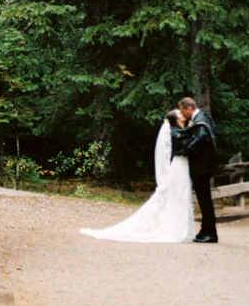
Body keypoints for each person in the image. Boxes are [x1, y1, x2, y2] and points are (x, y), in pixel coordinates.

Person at [79, 110, 195, 243]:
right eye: (179, 114)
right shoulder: (173, 132)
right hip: (177, 166)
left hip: (184, 166)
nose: (182, 114)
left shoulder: (184, 129)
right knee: (176, 196)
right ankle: (175, 229)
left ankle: (184, 229)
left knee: (183, 195)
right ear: (175, 119)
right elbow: (171, 151)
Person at [172, 96, 218, 243]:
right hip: (204, 166)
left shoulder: (200, 122)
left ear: (189, 109)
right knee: (204, 200)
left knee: (204, 201)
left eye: (182, 111)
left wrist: (183, 151)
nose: (182, 114)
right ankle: (205, 230)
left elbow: (197, 143)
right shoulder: (204, 117)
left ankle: (210, 233)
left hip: (202, 167)